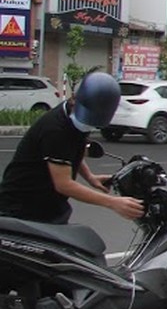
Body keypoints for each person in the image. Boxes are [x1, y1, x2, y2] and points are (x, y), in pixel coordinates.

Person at [0, 71, 144, 224]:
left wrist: (90, 177)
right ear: (75, 99)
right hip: (22, 208)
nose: (88, 124)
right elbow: (64, 185)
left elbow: (73, 149)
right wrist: (113, 202)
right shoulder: (55, 130)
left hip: (50, 207)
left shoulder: (71, 116)